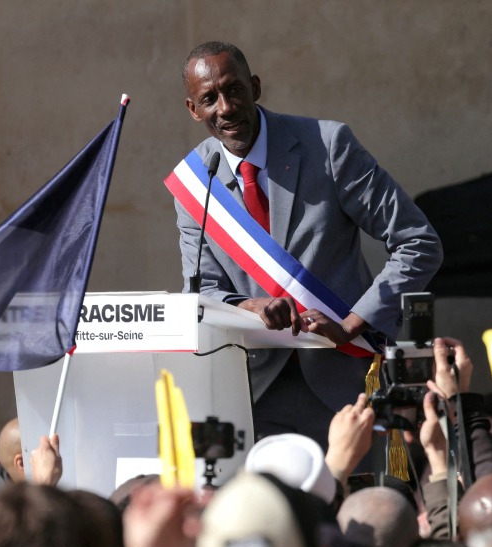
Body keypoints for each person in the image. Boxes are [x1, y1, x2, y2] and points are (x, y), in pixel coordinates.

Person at [173, 41, 443, 448]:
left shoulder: (328, 145)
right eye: (209, 98)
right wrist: (250, 306)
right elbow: (203, 291)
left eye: (234, 90)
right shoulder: (194, 183)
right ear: (193, 109)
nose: (226, 108)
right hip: (253, 396)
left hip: (346, 387)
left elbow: (418, 242)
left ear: (256, 87)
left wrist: (351, 325)